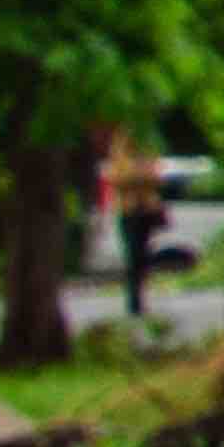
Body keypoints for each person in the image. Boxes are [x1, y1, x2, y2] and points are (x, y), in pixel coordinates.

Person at [97, 131, 169, 321]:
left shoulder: (150, 148)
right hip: (128, 211)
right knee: (133, 253)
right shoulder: (120, 151)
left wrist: (137, 177)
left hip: (147, 210)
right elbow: (116, 178)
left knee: (142, 253)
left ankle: (139, 294)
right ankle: (134, 299)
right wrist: (139, 176)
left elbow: (157, 177)